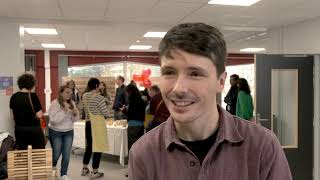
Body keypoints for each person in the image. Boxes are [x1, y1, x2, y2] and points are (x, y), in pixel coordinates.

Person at [128, 23, 292, 180]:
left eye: (195, 74)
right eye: (169, 72)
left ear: (221, 82)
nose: (179, 88)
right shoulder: (143, 153)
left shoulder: (262, 146)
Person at [48, 85, 79, 179]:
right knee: (56, 153)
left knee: (66, 154)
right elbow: (53, 120)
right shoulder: (55, 103)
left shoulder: (72, 103)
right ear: (61, 93)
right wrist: (64, 111)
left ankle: (64, 174)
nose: (69, 94)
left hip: (69, 131)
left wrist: (74, 114)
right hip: (56, 132)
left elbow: (76, 119)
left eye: (70, 92)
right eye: (67, 92)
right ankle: (52, 167)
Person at [9, 74, 45, 150]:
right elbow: (39, 115)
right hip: (34, 130)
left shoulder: (14, 97)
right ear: (31, 84)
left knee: (23, 152)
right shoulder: (33, 96)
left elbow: (12, 116)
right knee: (37, 153)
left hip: (19, 130)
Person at [81, 78, 108, 178]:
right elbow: (106, 113)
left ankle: (84, 169)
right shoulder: (99, 97)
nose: (101, 87)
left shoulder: (84, 95)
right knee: (98, 146)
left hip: (88, 123)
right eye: (99, 85)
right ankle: (95, 171)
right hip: (97, 124)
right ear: (96, 86)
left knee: (89, 146)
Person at [121, 84, 146, 150]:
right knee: (140, 145)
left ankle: (132, 160)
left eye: (127, 92)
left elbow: (131, 114)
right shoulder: (142, 100)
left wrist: (124, 111)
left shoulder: (132, 101)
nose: (127, 94)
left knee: (132, 146)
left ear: (130, 92)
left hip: (133, 125)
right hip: (141, 125)